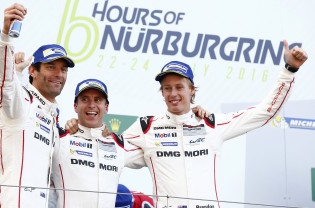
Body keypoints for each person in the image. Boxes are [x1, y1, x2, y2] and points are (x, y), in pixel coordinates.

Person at [121, 40, 308, 207]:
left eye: (179, 87)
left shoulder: (211, 124)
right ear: (161, 92)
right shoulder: (146, 127)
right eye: (167, 88)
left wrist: (289, 71)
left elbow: (264, 112)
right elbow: (107, 154)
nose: (173, 94)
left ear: (192, 90)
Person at [0, 3, 75, 208]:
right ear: (33, 71)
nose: (59, 74)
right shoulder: (22, 101)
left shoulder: (51, 114)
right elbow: (4, 81)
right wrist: (6, 36)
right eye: (50, 67)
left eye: (63, 69)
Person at [51, 78, 145, 207]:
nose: (91, 105)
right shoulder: (60, 139)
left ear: (106, 107)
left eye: (97, 100)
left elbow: (154, 152)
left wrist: (114, 129)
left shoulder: (119, 144)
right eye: (85, 99)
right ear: (75, 106)